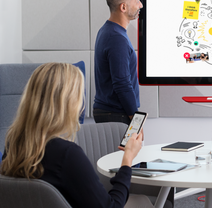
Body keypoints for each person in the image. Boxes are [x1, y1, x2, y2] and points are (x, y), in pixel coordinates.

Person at [0, 63, 150, 208]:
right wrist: (128, 159)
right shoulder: (67, 155)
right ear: (67, 103)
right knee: (145, 202)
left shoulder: (13, 144)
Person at [93, 0, 143, 125]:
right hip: (116, 115)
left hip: (111, 113)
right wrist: (136, 121)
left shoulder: (107, 31)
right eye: (137, 1)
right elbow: (122, 83)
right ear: (123, 7)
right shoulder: (116, 38)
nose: (141, 5)